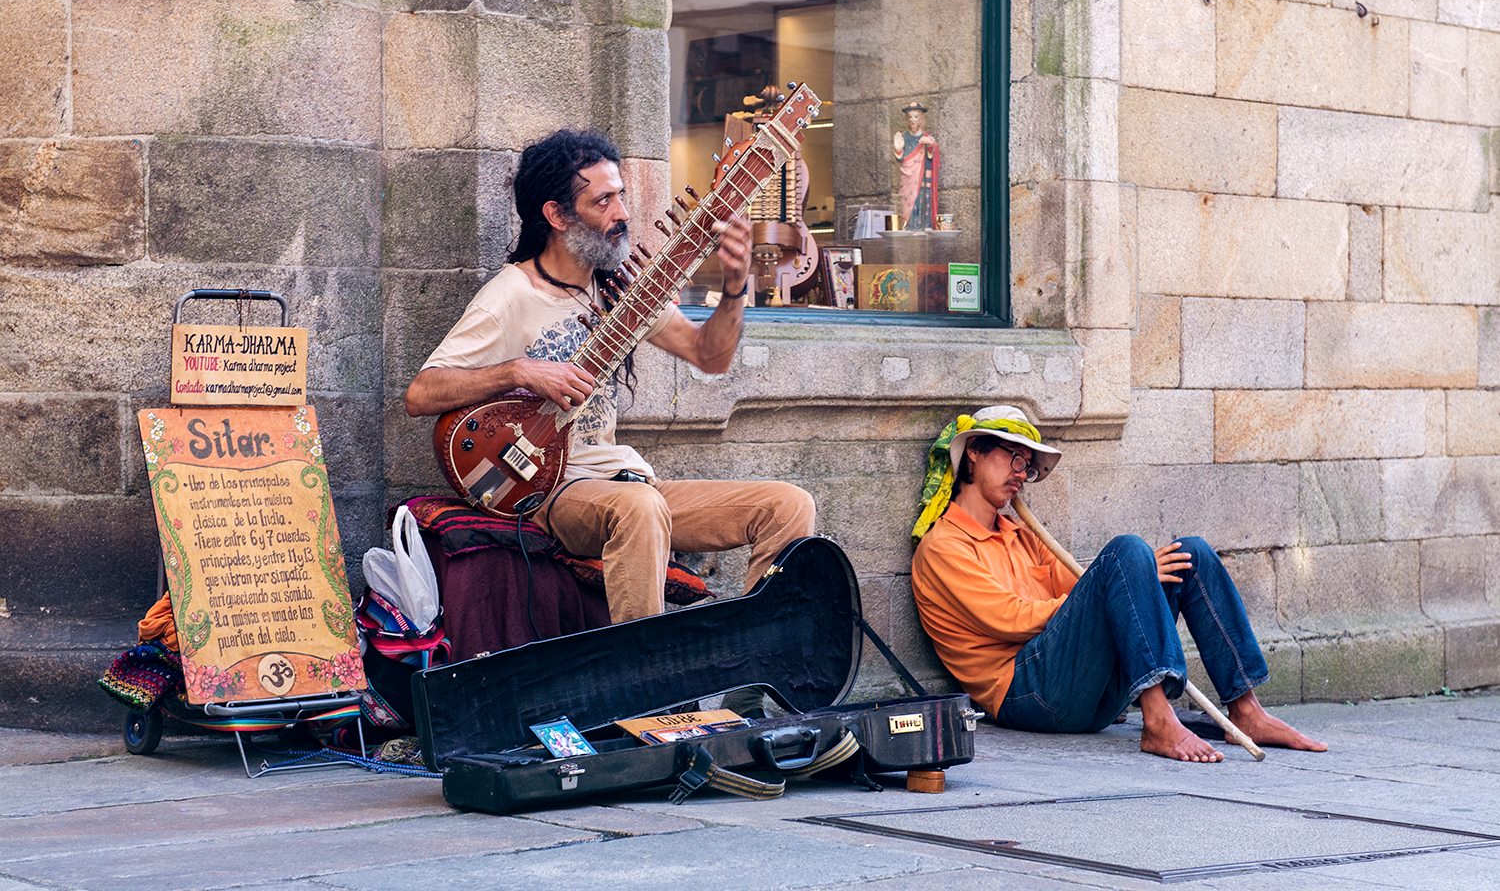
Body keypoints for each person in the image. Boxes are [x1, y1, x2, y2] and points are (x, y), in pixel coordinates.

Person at [405, 129, 816, 626]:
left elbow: (709, 355)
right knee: (638, 508)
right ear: (557, 216)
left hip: (626, 478)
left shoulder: (620, 291)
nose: (622, 212)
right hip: (550, 489)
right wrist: (518, 370)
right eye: (603, 200)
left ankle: (755, 666)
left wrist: (733, 289)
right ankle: (644, 686)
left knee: (788, 506)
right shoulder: (511, 294)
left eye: (621, 195)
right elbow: (421, 393)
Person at [910, 406, 1326, 762]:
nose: (1022, 474)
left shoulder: (1019, 534)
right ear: (973, 457)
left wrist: (1133, 578)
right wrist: (1121, 574)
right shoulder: (943, 547)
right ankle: (1158, 719)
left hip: (1085, 688)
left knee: (1191, 555)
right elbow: (1010, 620)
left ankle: (1245, 708)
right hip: (1027, 695)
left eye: (1027, 465)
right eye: (1013, 459)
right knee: (1127, 550)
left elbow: (1077, 589)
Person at [891, 100, 939, 231]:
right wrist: (898, 149)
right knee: (908, 199)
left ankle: (926, 224)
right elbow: (901, 158)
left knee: (923, 198)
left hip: (923, 177)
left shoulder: (927, 138)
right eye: (910, 117)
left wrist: (929, 146)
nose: (912, 120)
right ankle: (909, 224)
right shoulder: (904, 137)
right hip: (909, 176)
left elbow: (931, 156)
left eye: (916, 117)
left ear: (921, 119)